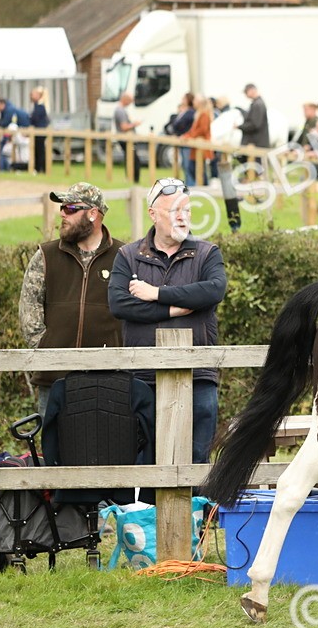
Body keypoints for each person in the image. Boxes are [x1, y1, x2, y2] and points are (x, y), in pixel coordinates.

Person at [108, 178, 228, 463]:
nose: (181, 216)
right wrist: (172, 309)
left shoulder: (207, 253)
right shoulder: (128, 256)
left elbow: (213, 290)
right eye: (173, 210)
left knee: (197, 458)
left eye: (186, 210)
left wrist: (156, 293)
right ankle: (146, 511)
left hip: (197, 373)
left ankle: (197, 509)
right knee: (144, 459)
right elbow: (119, 304)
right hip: (144, 375)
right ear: (152, 213)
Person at [18, 183, 125, 418]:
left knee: (107, 449)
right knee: (54, 450)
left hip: (109, 379)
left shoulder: (124, 256)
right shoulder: (45, 256)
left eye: (71, 208)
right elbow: (29, 314)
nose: (63, 214)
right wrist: (48, 352)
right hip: (54, 380)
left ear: (93, 213)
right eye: (62, 208)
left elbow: (135, 312)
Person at [232, 83, 271, 232]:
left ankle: (256, 197)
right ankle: (253, 196)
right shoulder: (256, 104)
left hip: (256, 145)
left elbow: (254, 124)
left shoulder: (258, 105)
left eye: (247, 92)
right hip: (255, 145)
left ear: (252, 90)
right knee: (253, 173)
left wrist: (240, 126)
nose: (246, 95)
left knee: (255, 173)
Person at [182, 93, 214, 185]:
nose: (193, 102)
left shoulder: (204, 114)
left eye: (195, 100)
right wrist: (187, 135)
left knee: (198, 168)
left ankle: (204, 186)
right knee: (194, 167)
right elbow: (194, 130)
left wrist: (189, 136)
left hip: (202, 145)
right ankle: (204, 186)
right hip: (196, 146)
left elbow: (202, 130)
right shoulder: (199, 113)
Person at [113, 92, 144, 182]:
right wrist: (135, 124)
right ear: (125, 99)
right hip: (126, 139)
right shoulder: (120, 111)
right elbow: (124, 127)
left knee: (130, 159)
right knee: (134, 160)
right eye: (130, 101)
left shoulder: (120, 110)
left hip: (126, 139)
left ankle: (131, 179)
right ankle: (133, 180)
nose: (130, 103)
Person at [29, 87, 50, 174]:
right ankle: (39, 168)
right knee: (38, 151)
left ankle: (41, 169)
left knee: (40, 151)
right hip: (37, 132)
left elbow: (35, 119)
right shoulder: (36, 106)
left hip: (40, 132)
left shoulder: (40, 106)